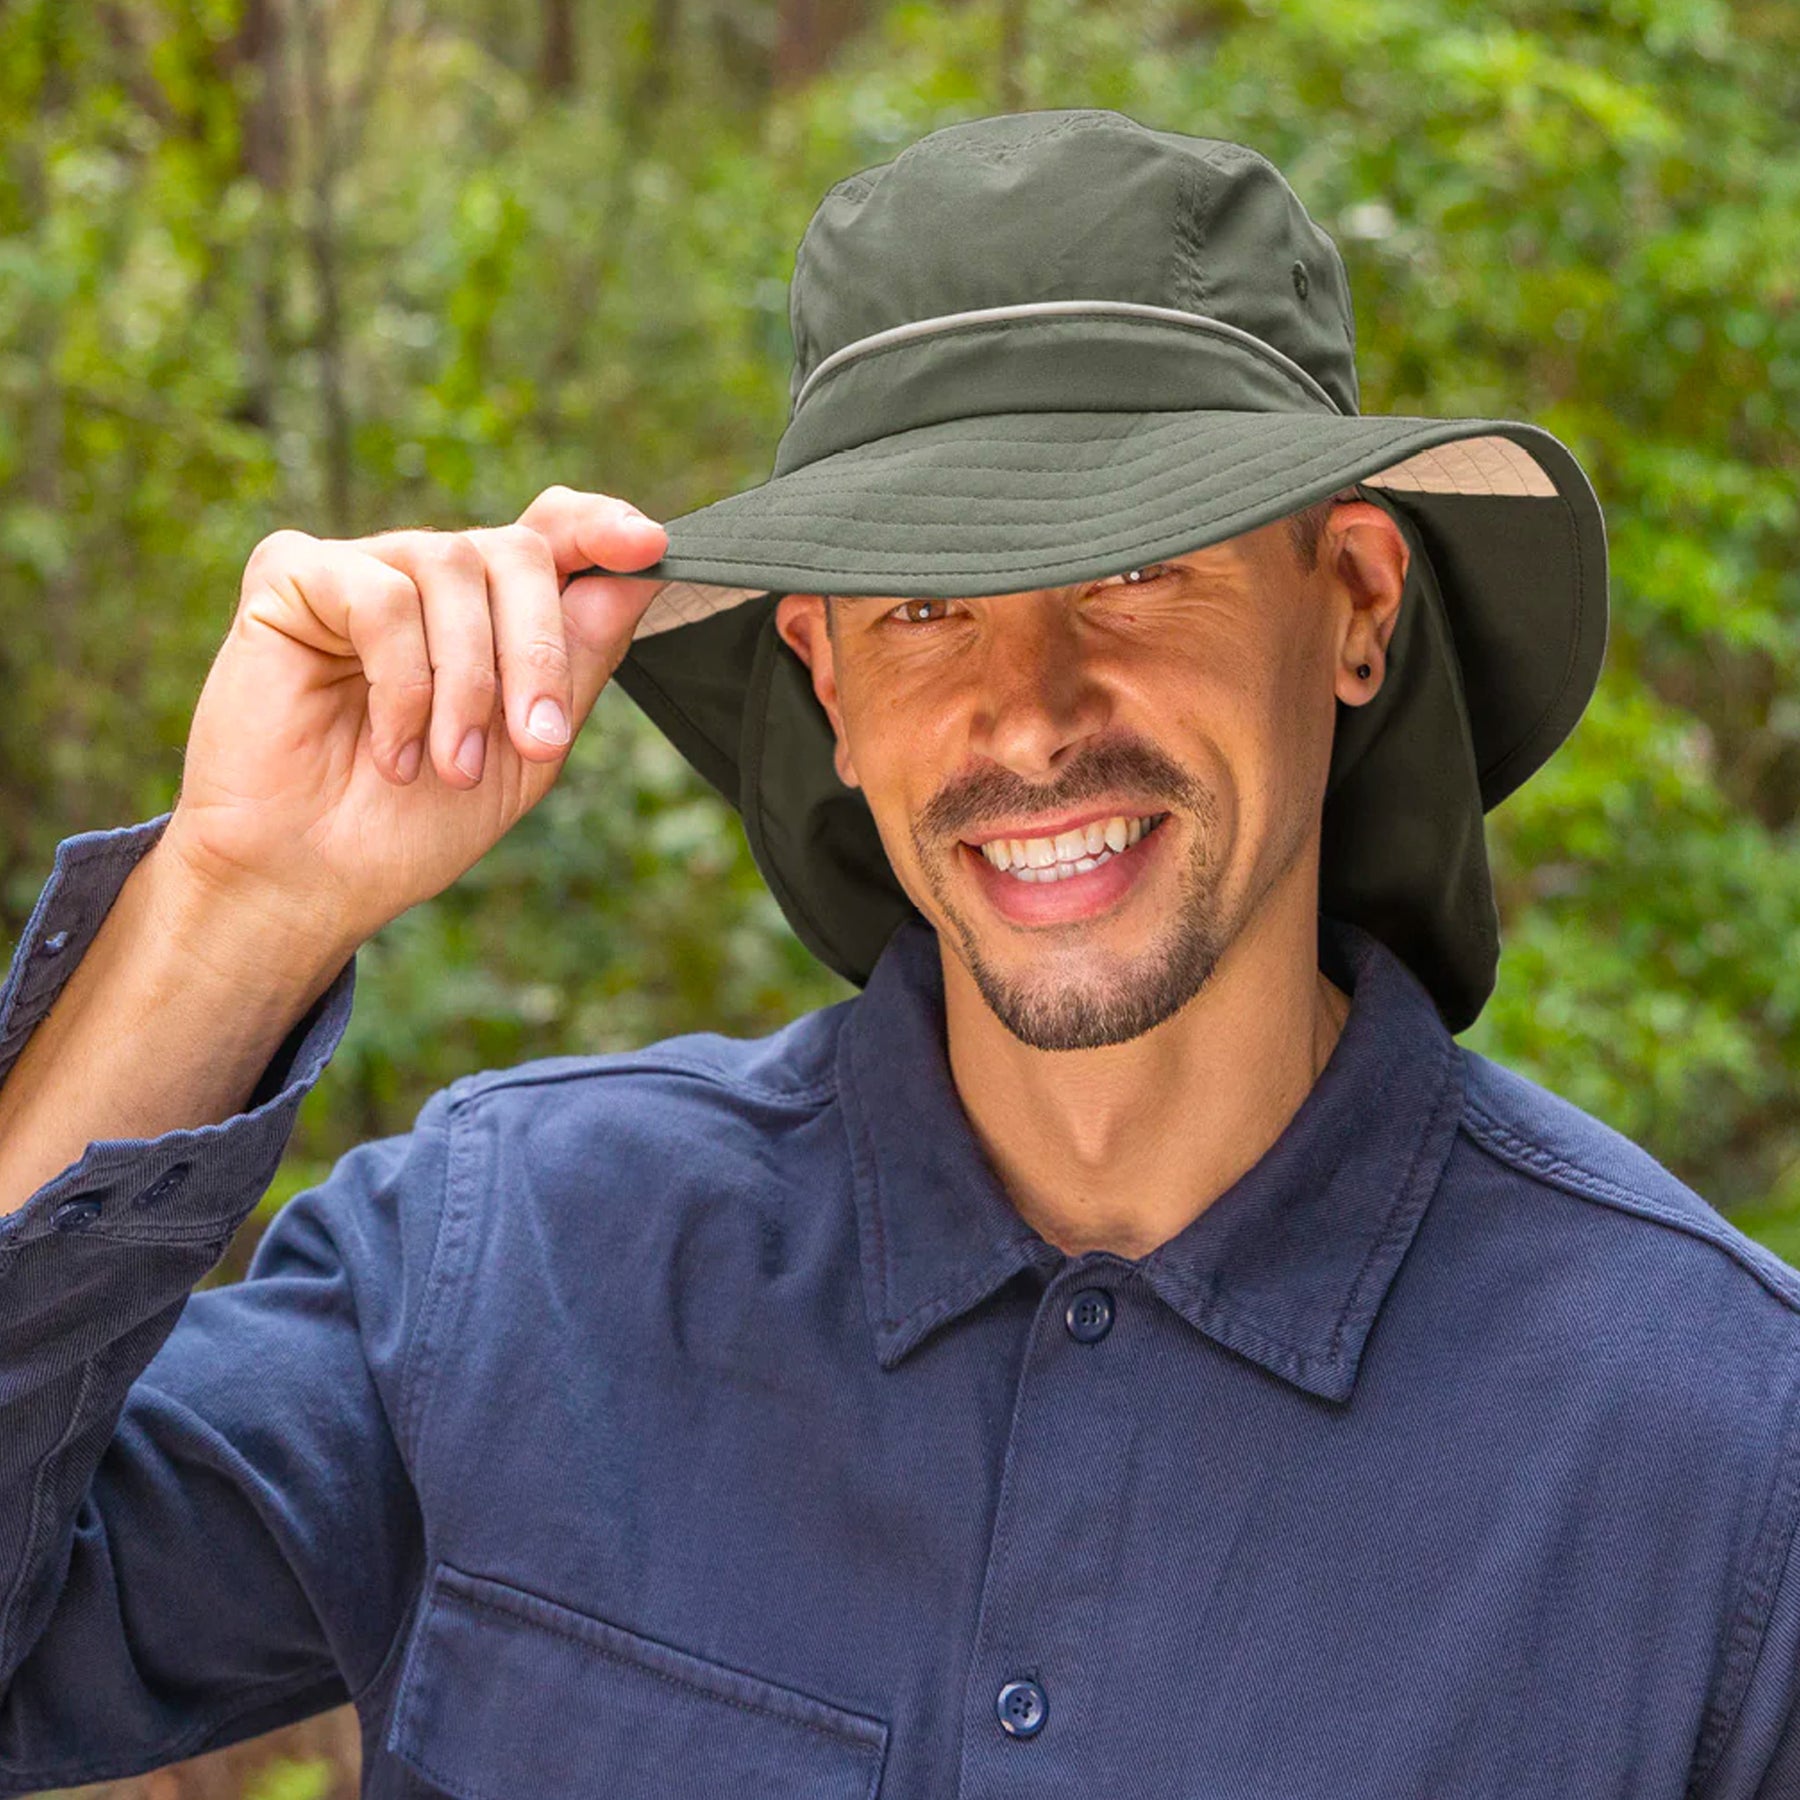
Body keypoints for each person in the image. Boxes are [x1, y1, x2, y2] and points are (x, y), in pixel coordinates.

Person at [0, 106, 1795, 1799]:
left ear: (1357, 608)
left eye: (1139, 569)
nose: (1030, 722)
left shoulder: (1719, 1453)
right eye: (928, 607)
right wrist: (230, 906)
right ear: (827, 685)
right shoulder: (510, 1261)